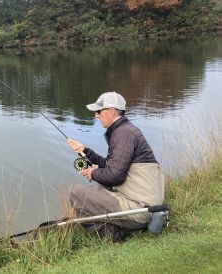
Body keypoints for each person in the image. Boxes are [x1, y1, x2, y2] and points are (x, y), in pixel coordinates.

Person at [66, 91, 164, 242]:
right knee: (96, 190)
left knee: (75, 192)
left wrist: (93, 174)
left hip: (140, 208)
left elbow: (114, 176)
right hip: (142, 204)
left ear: (110, 111)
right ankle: (117, 226)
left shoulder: (123, 134)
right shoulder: (125, 131)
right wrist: (84, 151)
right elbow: (112, 165)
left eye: (98, 111)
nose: (96, 116)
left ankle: (112, 233)